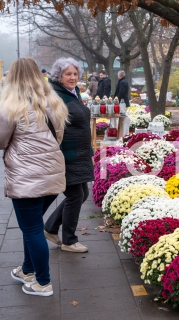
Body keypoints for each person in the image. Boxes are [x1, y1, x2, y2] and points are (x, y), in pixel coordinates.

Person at [0, 58, 69, 296]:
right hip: (52, 175)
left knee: (31, 230)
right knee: (33, 226)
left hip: (26, 177)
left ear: (13, 78)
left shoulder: (11, 105)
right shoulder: (53, 101)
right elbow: (57, 136)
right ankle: (27, 270)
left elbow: (1, 141)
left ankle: (43, 282)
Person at [44, 57, 94, 253]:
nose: (73, 77)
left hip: (79, 152)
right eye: (68, 74)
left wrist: (90, 151)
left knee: (82, 194)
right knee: (75, 195)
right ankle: (69, 240)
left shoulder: (72, 92)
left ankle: (50, 227)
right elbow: (51, 126)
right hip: (67, 153)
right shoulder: (56, 96)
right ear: (59, 76)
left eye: (75, 74)